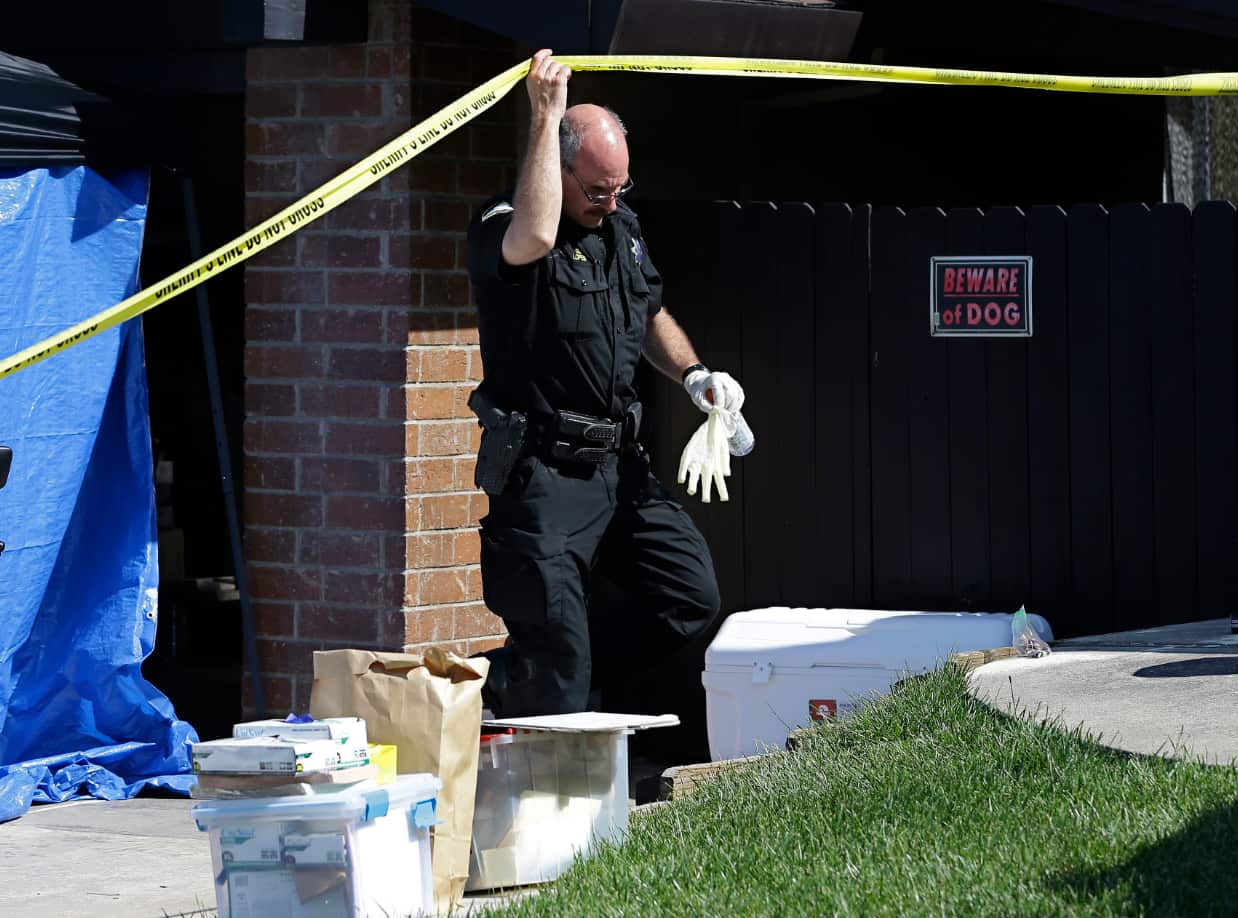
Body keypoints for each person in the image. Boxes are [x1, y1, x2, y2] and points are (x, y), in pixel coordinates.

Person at [466, 49, 746, 717]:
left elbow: (648, 312)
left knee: (688, 596)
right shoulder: (504, 224)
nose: (611, 201)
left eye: (620, 186)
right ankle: (539, 686)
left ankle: (539, 673)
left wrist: (695, 374)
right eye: (596, 189)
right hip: (544, 475)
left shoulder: (620, 227)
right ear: (556, 168)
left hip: (618, 469)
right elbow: (533, 233)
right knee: (558, 663)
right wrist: (545, 114)